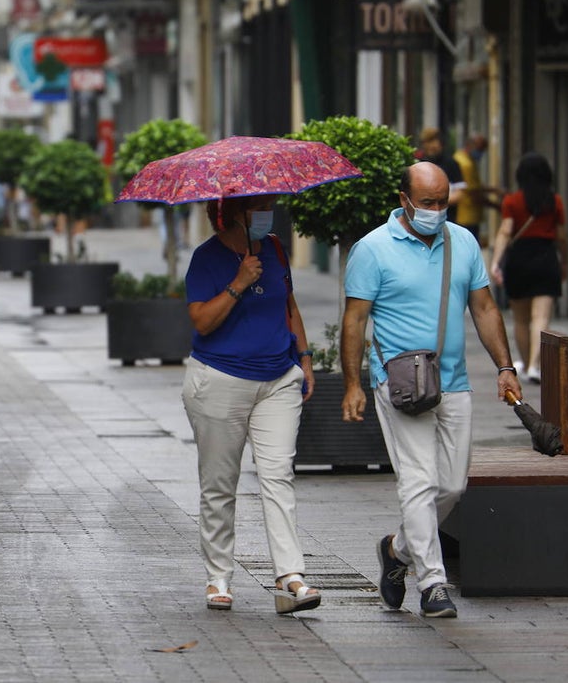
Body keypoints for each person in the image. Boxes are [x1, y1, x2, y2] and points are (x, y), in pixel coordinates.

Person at [340, 161, 521, 619]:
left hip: (454, 381)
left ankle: (397, 550)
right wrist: (352, 384)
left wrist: (505, 366)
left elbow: (483, 308)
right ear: (404, 200)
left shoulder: (462, 242)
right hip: (398, 382)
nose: (436, 211)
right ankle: (434, 584)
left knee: (453, 485)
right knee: (418, 482)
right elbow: (354, 320)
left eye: (443, 202)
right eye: (427, 203)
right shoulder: (373, 249)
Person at [182, 194, 320, 614]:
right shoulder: (205, 259)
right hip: (220, 380)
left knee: (278, 475)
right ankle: (218, 578)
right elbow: (202, 321)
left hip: (278, 378)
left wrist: (306, 359)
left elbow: (288, 306)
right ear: (236, 213)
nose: (269, 213)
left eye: (272, 204)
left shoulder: (276, 248)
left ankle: (289, 577)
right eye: (261, 205)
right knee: (220, 484)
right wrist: (238, 283)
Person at [489, 152, 568, 384]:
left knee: (521, 319)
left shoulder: (512, 201)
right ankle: (535, 365)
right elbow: (562, 237)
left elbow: (505, 231)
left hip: (519, 259)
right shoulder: (555, 201)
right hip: (545, 257)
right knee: (541, 317)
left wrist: (496, 262)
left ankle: (526, 365)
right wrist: (565, 261)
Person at [452, 134, 500, 240]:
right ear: (470, 146)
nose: (480, 153)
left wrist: (494, 190)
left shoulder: (460, 157)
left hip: (465, 216)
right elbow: (474, 193)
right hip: (467, 216)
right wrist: (497, 206)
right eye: (479, 149)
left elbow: (474, 185)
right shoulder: (466, 164)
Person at [418, 127, 466, 224]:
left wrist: (435, 202)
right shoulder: (418, 164)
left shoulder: (451, 164)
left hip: (447, 219)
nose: (432, 146)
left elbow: (460, 193)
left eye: (435, 142)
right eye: (428, 142)